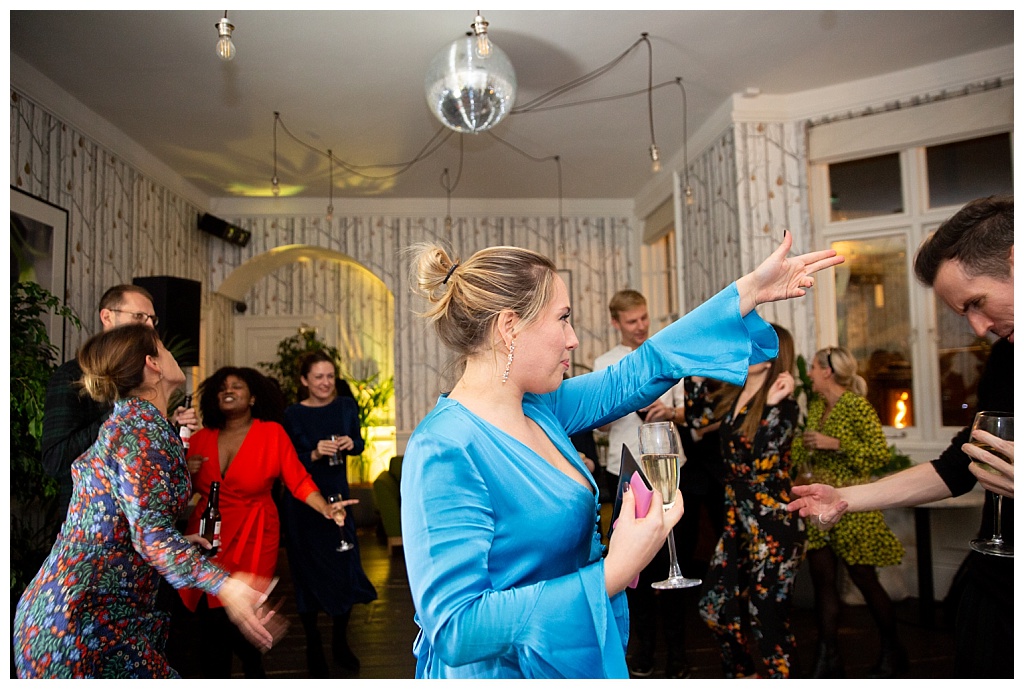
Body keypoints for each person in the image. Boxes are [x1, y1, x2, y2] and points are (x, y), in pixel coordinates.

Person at [400, 231, 843, 678]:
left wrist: (747, 291)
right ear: (509, 327)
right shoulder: (445, 447)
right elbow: (456, 628)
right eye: (563, 319)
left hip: (576, 656)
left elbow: (640, 369)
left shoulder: (539, 407)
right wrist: (615, 570)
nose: (573, 339)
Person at [787, 194, 1013, 678]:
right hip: (998, 586)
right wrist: (843, 496)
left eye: (976, 303)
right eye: (963, 313)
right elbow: (958, 468)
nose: (977, 327)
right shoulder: (1005, 363)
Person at [13, 325, 278, 678]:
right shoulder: (143, 430)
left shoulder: (129, 421)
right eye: (165, 348)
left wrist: (179, 542)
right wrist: (226, 585)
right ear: (152, 363)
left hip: (69, 609)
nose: (172, 356)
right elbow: (150, 537)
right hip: (83, 621)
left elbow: (119, 520)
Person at [179, 366, 343, 678]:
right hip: (207, 537)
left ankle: (252, 671)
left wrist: (325, 507)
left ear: (253, 397)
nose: (228, 391)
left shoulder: (271, 434)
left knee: (242, 618)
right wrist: (184, 469)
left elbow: (298, 480)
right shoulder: (199, 439)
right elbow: (174, 493)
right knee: (211, 622)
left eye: (237, 386)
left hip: (255, 535)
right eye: (221, 387)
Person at [692, 324, 803, 678]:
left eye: (762, 346)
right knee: (714, 606)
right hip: (738, 523)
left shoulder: (785, 407)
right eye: (749, 344)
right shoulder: (733, 396)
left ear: (776, 354)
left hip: (774, 525)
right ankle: (741, 673)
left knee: (766, 619)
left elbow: (761, 466)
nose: (751, 350)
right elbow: (695, 420)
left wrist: (770, 405)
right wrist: (697, 368)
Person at [39, 284, 198, 529]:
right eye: (138, 317)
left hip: (139, 533)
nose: (148, 326)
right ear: (107, 316)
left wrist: (165, 422)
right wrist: (124, 414)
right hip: (91, 529)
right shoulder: (73, 376)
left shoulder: (146, 393)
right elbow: (55, 460)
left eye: (151, 319)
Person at [789, 345, 907, 678]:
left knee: (865, 581)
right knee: (823, 581)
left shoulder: (856, 406)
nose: (808, 373)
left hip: (853, 504)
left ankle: (893, 650)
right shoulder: (815, 405)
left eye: (813, 366)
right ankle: (828, 657)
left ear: (827, 371)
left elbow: (878, 455)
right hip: (819, 504)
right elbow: (805, 446)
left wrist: (834, 444)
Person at [592, 289, 692, 677]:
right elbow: (597, 423)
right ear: (616, 322)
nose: (640, 327)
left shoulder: (663, 354)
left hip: (670, 468)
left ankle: (680, 654)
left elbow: (689, 411)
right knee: (637, 567)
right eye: (632, 321)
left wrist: (672, 411)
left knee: (673, 560)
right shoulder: (604, 363)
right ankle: (644, 650)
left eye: (644, 318)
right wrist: (616, 403)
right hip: (626, 470)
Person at [281, 351, 379, 676]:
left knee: (344, 567)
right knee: (307, 573)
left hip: (340, 499)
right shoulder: (292, 414)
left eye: (330, 376)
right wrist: (313, 452)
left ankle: (340, 640)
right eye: (318, 377)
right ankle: (312, 643)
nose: (326, 383)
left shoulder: (346, 406)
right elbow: (286, 463)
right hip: (303, 505)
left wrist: (352, 443)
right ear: (304, 381)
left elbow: (361, 443)